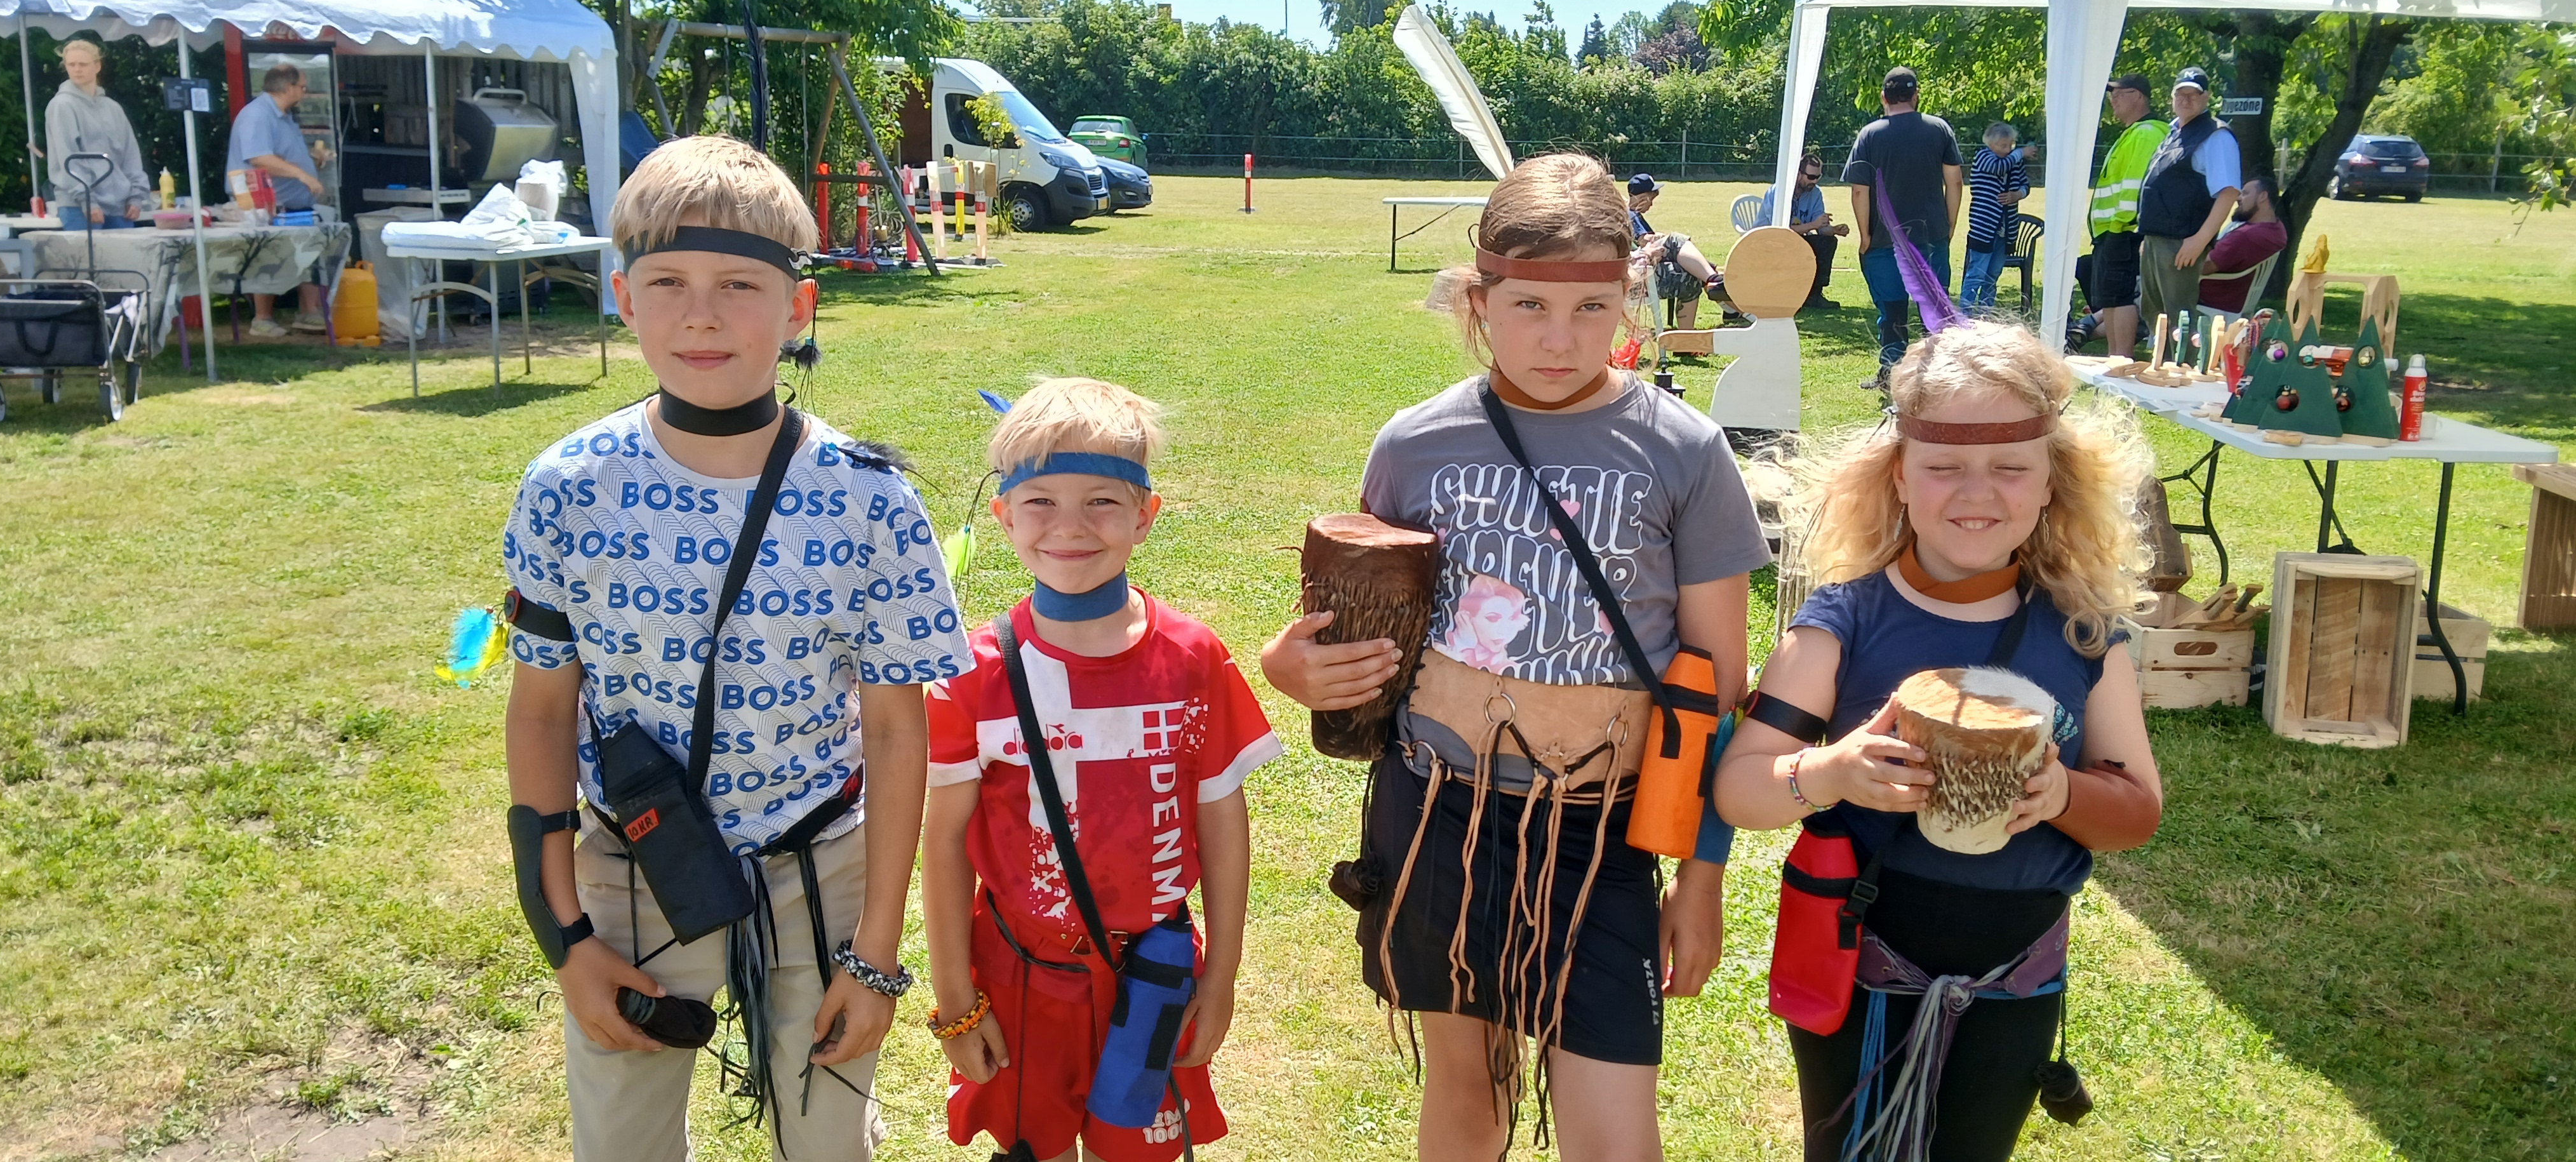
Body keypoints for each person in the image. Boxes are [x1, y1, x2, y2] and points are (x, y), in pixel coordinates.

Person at [1260, 152, 1770, 1161]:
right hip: (1438, 815)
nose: (1559, 337)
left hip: (1604, 833)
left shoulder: (1684, 451)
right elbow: (1361, 626)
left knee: (1615, 1136)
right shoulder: (1415, 444)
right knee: (1468, 1095)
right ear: (1479, 298)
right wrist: (1292, 668)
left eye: (1591, 309)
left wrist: (1702, 876)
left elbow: (1717, 691)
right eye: (1529, 304)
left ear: (1627, 299)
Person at [500, 135, 968, 1162]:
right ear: (624, 299)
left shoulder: (869, 499)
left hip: (820, 869)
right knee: (620, 1146)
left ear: (799, 308)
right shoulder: (567, 488)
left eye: (738, 285)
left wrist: (877, 954)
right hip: (636, 865)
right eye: (668, 282)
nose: (701, 315)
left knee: (827, 1142)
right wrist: (566, 936)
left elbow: (898, 734)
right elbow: (539, 712)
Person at [1714, 321, 2165, 1161]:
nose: (1976, 493)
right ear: (1898, 474)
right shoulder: (1841, 624)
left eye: (2010, 468)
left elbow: (2137, 811)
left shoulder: (2082, 635)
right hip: (1860, 963)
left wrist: (2063, 794)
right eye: (1944, 466)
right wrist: (1832, 771)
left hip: (2015, 979)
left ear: (2052, 481)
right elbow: (1741, 788)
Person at [920, 377, 1278, 1161]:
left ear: (1145, 515)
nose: (1071, 527)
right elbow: (943, 843)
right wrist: (955, 998)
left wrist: (1220, 978)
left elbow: (1222, 820)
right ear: (1004, 515)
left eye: (1103, 502)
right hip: (1020, 977)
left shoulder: (1194, 659)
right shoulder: (970, 675)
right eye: (1041, 502)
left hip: (1152, 976)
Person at [1843, 67, 1964, 388]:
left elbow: (1859, 191)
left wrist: (1865, 236)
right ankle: (1937, 376)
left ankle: (1892, 373)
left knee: (1892, 309)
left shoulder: (1870, 135)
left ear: (1883, 97)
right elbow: (1954, 182)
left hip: (1885, 240)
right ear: (1916, 96)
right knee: (1935, 309)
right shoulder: (1939, 129)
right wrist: (1950, 224)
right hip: (1931, 235)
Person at [227, 63, 331, 337]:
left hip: (294, 204)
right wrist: (302, 175)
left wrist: (311, 161)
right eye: (302, 87)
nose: (305, 92)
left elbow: (283, 155)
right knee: (267, 256)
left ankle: (309, 312)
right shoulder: (257, 115)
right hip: (264, 205)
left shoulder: (285, 117)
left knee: (307, 253)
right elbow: (259, 158)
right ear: (287, 87)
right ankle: (262, 318)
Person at [2137, 67, 2241, 342]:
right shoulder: (2174, 132)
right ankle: (2162, 367)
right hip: (2157, 240)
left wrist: (2199, 240)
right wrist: (2149, 238)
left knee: (2181, 323)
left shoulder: (2216, 136)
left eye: (2193, 94)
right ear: (2172, 98)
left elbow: (2228, 193)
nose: (2186, 99)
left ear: (2206, 98)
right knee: (2156, 318)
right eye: (2180, 94)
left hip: (2182, 244)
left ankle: (2186, 369)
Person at [2081, 74, 2166, 356]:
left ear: (2138, 96)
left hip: (2125, 230)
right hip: (2113, 231)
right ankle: (2114, 359)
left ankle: (2121, 359)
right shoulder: (2133, 133)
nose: (2113, 100)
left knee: (2121, 297)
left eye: (2119, 93)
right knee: (2111, 299)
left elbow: (2136, 186)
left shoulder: (2147, 133)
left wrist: (2121, 227)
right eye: (2111, 95)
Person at [43, 39, 147, 232]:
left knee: (124, 254)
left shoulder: (113, 108)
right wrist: (87, 200)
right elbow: (68, 157)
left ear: (97, 66)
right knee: (87, 254)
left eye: (83, 64)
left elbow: (131, 155)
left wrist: (136, 196)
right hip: (78, 207)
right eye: (71, 64)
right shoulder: (62, 106)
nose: (77, 69)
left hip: (119, 206)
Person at [1627, 172, 1729, 330]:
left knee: (1695, 269)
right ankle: (1718, 286)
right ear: (1642, 198)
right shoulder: (1631, 215)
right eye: (1651, 199)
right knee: (1676, 240)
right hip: (1640, 273)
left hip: (1640, 269)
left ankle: (1726, 302)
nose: (1651, 205)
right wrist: (1660, 237)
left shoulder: (1632, 215)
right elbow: (1644, 240)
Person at [1760, 151, 1848, 311]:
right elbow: (1780, 230)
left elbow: (1820, 229)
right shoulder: (1779, 192)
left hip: (1796, 239)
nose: (1814, 181)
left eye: (1818, 177)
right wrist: (1814, 225)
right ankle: (1787, 295)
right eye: (1811, 177)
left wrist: (1834, 230)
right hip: (1767, 241)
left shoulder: (1815, 193)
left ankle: (1814, 295)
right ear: (1798, 173)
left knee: (1828, 242)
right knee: (1789, 243)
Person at [2191, 175, 2287, 316]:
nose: (2238, 198)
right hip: (2237, 299)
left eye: (2246, 193)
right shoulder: (2277, 229)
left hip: (2212, 301)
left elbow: (2205, 266)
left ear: (2263, 196)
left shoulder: (2246, 236)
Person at [1959, 123, 2029, 315]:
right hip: (1984, 226)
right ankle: (1965, 314)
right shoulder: (1984, 157)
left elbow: (2025, 184)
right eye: (2002, 145)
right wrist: (2021, 153)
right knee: (1976, 273)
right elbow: (1999, 168)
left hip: (2007, 228)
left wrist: (2018, 194)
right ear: (1990, 144)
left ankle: (1985, 312)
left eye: (2010, 145)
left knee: (1993, 274)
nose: (2008, 150)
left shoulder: (2014, 161)